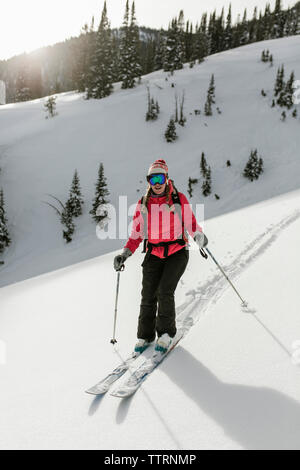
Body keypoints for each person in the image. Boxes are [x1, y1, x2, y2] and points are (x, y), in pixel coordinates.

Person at [114, 159, 208, 353]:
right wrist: (125, 253)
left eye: (160, 177)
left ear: (166, 178)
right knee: (148, 295)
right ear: (149, 181)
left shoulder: (177, 199)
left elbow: (191, 223)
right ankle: (145, 336)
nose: (156, 183)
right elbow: (137, 233)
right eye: (152, 178)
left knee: (165, 291)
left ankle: (166, 334)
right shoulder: (144, 203)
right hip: (154, 253)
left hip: (177, 252)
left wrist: (199, 236)